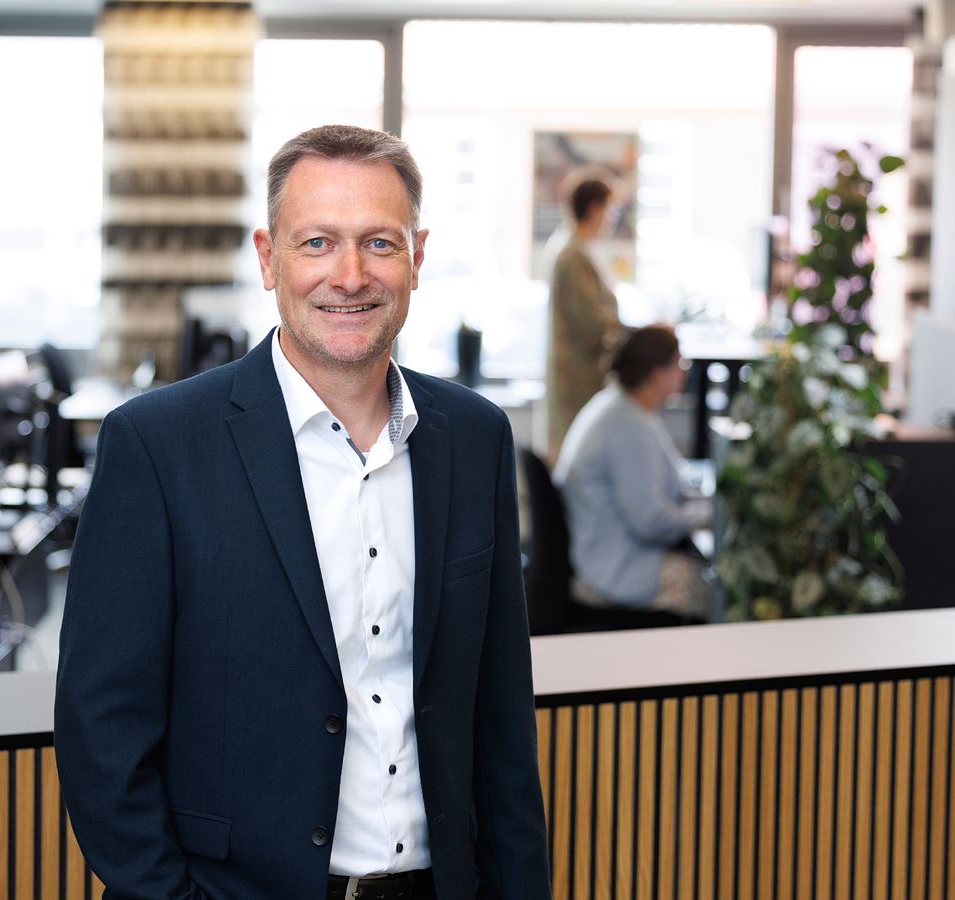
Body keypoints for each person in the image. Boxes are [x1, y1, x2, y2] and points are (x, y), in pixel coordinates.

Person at [55, 125, 551, 899]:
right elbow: (101, 731)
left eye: (379, 243)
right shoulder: (157, 446)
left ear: (417, 257)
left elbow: (502, 721)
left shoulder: (476, 438)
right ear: (268, 258)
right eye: (317, 242)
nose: (350, 276)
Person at [553, 324, 711, 618]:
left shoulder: (623, 406)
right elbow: (651, 522)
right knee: (716, 589)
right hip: (614, 571)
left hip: (604, 556)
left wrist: (699, 505)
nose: (684, 372)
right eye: (678, 363)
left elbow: (670, 484)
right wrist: (708, 514)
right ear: (656, 373)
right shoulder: (627, 424)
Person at [542, 175, 623, 454]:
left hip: (583, 374)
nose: (612, 218)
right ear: (594, 209)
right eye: (610, 209)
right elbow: (593, 322)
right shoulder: (571, 253)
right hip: (578, 376)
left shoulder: (578, 248)